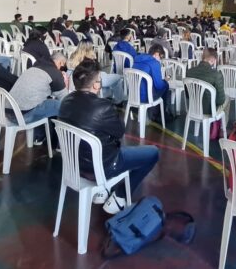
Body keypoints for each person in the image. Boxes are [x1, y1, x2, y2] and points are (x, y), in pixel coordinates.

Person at [59, 62, 160, 214]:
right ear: (95, 86)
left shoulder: (65, 102)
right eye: (99, 80)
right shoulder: (103, 107)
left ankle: (103, 190)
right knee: (153, 153)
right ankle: (119, 197)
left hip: (74, 165)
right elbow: (120, 132)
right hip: (102, 167)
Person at [9, 51, 68, 141]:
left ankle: (39, 136)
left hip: (7, 112)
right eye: (62, 66)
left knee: (41, 102)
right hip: (23, 116)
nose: (61, 68)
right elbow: (65, 98)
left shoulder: (34, 67)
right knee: (61, 106)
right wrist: (65, 82)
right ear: (60, 62)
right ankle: (61, 142)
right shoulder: (55, 73)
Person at [186, 47, 228, 117]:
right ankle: (218, 126)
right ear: (213, 59)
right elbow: (220, 100)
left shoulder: (189, 72)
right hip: (209, 110)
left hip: (193, 107)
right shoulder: (216, 74)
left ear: (203, 57)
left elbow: (187, 94)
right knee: (227, 99)